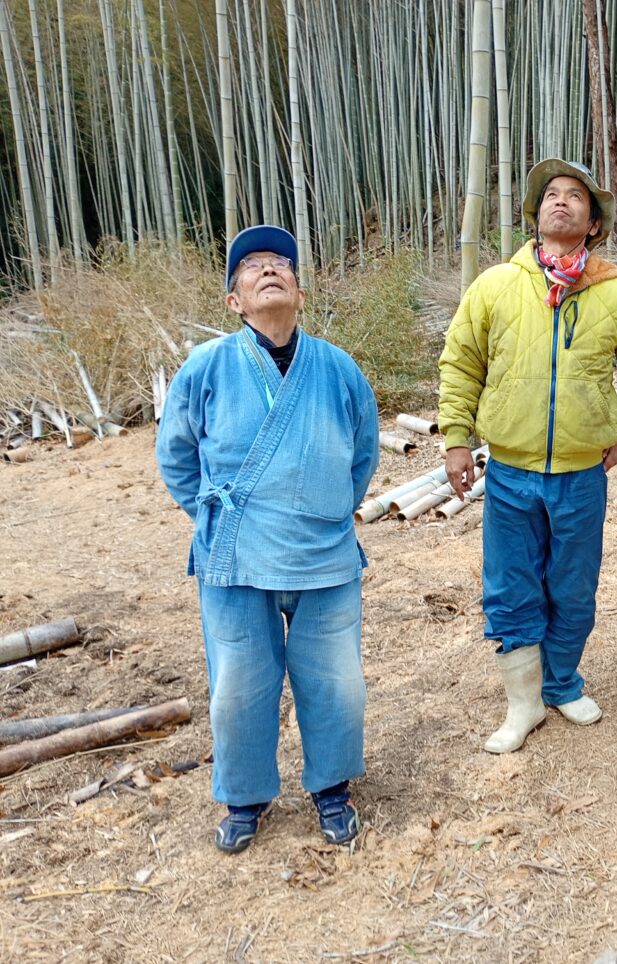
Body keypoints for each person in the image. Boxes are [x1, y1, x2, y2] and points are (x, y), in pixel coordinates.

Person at [156, 225, 379, 853]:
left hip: (324, 552)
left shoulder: (337, 367)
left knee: (336, 681)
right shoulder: (206, 367)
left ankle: (332, 789)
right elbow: (176, 457)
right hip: (234, 556)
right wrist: (214, 519)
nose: (268, 270)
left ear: (300, 292)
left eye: (281, 263)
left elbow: (363, 453)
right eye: (251, 266)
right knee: (238, 685)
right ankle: (245, 797)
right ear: (234, 301)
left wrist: (332, 505)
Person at [438, 159, 617, 754]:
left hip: (580, 473)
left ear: (594, 224)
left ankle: (561, 683)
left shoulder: (616, 293)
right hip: (510, 470)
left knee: (572, 585)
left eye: (575, 197)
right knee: (512, 584)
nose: (561, 202)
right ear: (536, 214)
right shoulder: (496, 284)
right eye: (551, 195)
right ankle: (523, 704)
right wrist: (457, 436)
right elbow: (462, 361)